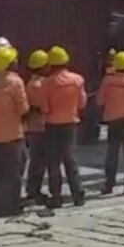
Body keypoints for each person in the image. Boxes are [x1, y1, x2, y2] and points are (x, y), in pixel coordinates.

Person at [0, 44, 30, 218]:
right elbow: (23, 109)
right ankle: (12, 206)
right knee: (13, 173)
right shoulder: (16, 82)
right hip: (12, 135)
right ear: (9, 64)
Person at [41, 45, 87, 207]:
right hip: (70, 123)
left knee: (53, 162)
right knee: (70, 158)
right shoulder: (77, 80)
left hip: (52, 125)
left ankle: (56, 196)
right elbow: (82, 103)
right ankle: (78, 193)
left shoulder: (46, 84)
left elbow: (45, 108)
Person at [96, 51, 124, 195]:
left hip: (113, 120)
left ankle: (109, 185)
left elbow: (99, 101)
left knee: (112, 153)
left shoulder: (107, 81)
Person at [23, 49, 50, 203]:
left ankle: (33, 190)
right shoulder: (40, 85)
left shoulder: (30, 83)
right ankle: (34, 191)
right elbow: (43, 106)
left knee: (36, 161)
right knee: (39, 161)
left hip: (33, 128)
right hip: (41, 127)